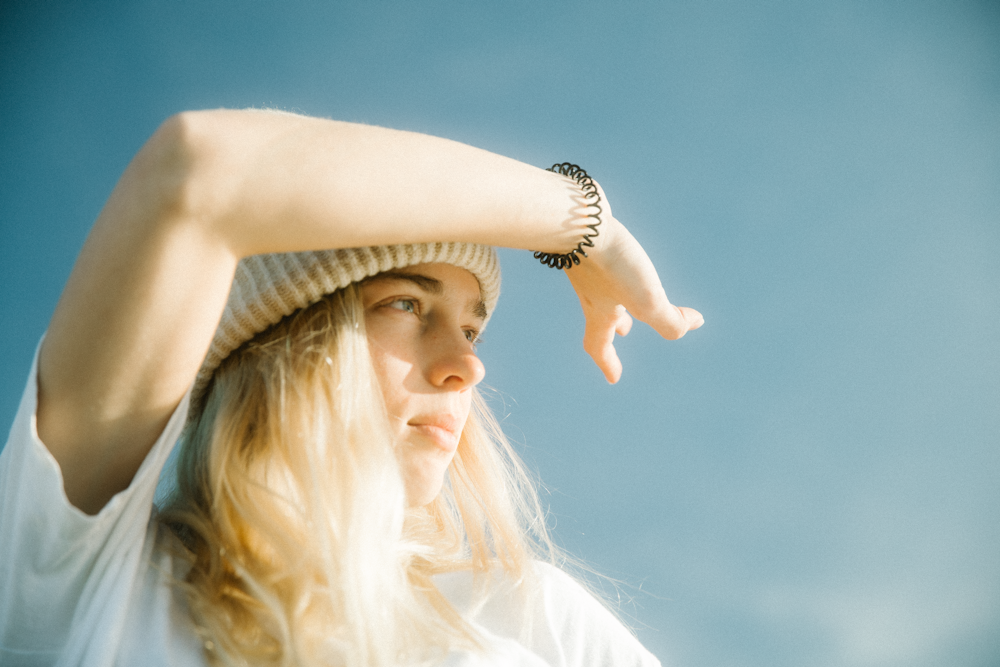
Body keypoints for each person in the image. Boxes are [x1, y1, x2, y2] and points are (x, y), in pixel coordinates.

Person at [0, 109, 703, 667]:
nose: (467, 366)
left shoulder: (532, 615)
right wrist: (588, 224)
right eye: (407, 304)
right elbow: (198, 172)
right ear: (275, 338)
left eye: (473, 329)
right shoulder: (91, 576)